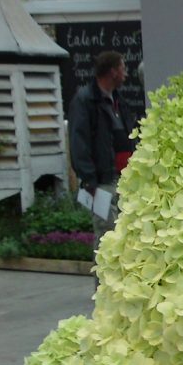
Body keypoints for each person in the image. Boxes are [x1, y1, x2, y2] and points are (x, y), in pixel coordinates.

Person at [67, 51, 137, 246]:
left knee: (125, 234)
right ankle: (103, 277)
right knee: (107, 236)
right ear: (113, 71)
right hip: (102, 182)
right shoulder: (85, 101)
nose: (126, 74)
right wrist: (90, 181)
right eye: (123, 68)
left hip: (123, 179)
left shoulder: (118, 100)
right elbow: (78, 143)